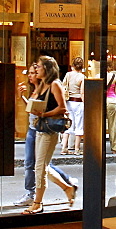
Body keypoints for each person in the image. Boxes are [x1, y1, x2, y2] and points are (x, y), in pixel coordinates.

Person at [14, 64, 77, 209]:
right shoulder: (37, 89)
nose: (31, 75)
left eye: (34, 72)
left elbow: (59, 108)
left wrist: (43, 114)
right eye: (30, 72)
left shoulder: (49, 86)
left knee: (37, 165)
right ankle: (67, 186)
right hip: (33, 128)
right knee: (39, 165)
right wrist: (21, 97)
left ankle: (35, 198)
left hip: (42, 128)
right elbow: (32, 108)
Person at [61, 56, 85, 155]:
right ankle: (77, 149)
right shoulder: (82, 77)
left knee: (68, 124)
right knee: (79, 125)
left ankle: (64, 148)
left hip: (69, 101)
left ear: (73, 65)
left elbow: (63, 87)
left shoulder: (68, 74)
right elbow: (83, 92)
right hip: (79, 102)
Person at [105, 60, 116, 154]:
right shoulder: (115, 77)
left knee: (99, 125)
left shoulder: (98, 76)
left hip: (101, 101)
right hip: (112, 100)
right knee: (112, 124)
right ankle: (114, 147)